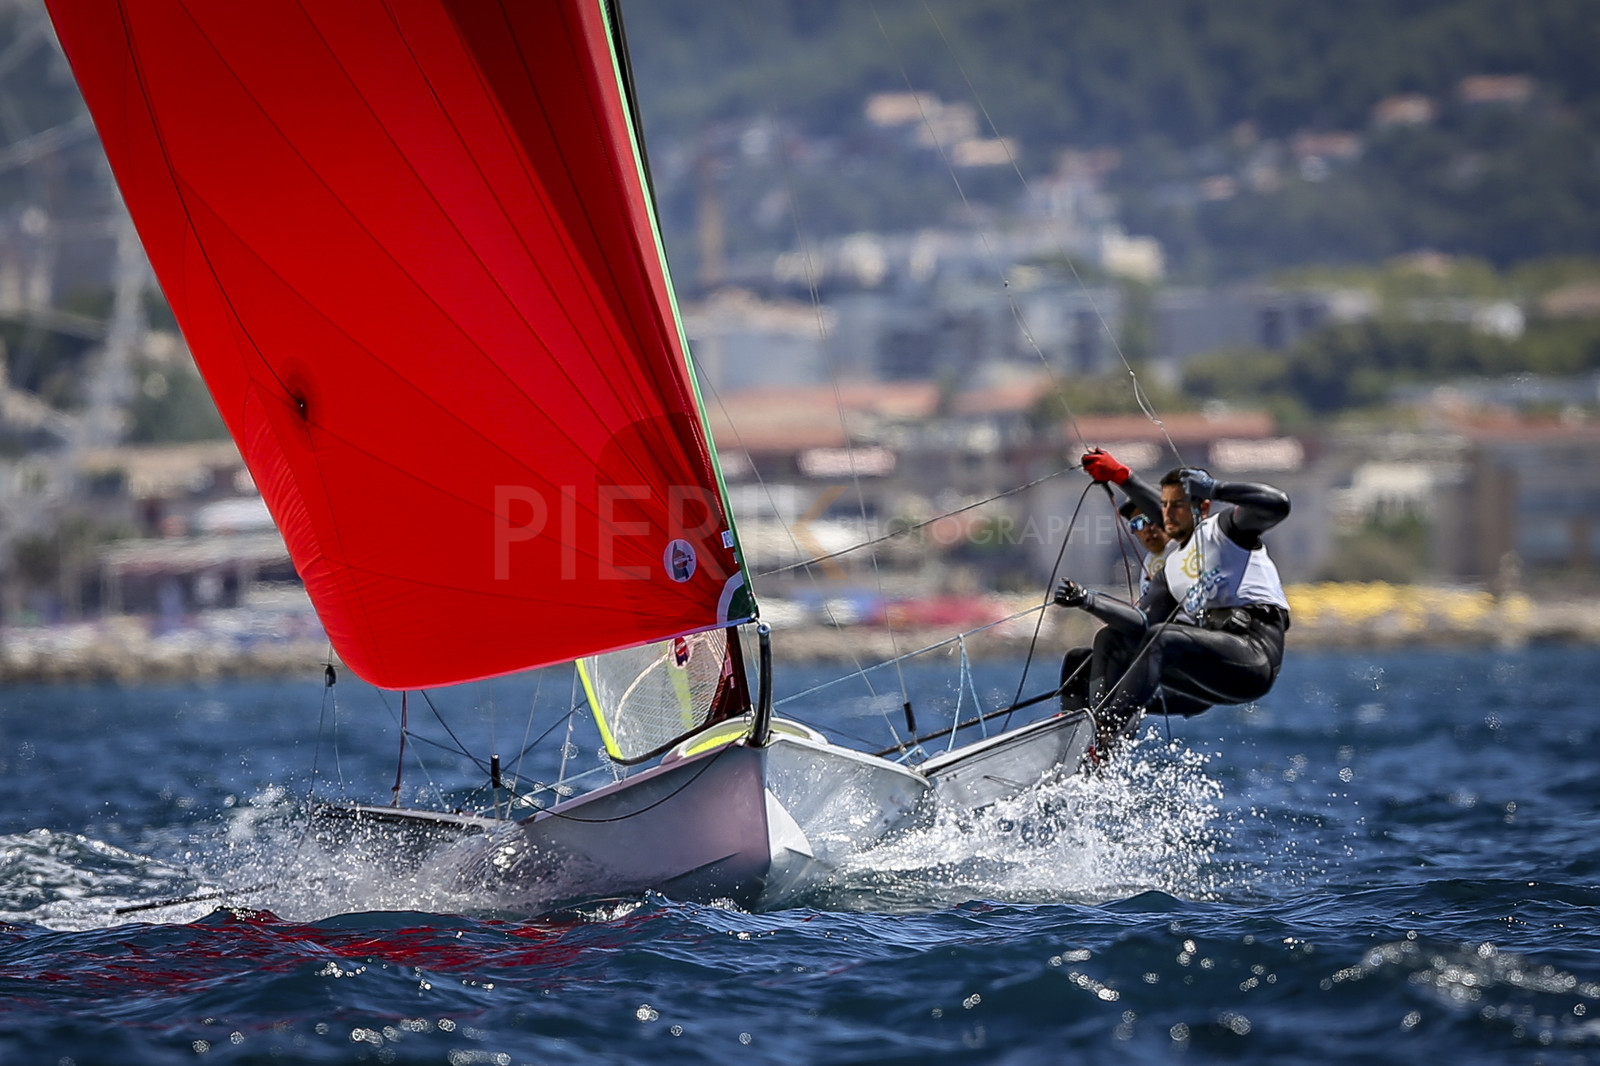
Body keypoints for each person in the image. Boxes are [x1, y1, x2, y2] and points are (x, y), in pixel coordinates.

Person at [1056, 447, 1291, 750]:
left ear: (1203, 507)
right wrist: (1089, 601)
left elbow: (1278, 505)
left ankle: (1104, 732)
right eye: (1164, 507)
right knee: (1105, 644)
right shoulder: (1170, 573)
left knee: (1162, 639)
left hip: (1253, 659)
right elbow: (1139, 625)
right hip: (1203, 677)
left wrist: (1218, 488)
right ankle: (1080, 741)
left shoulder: (1228, 531)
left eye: (1176, 506)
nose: (1165, 515)